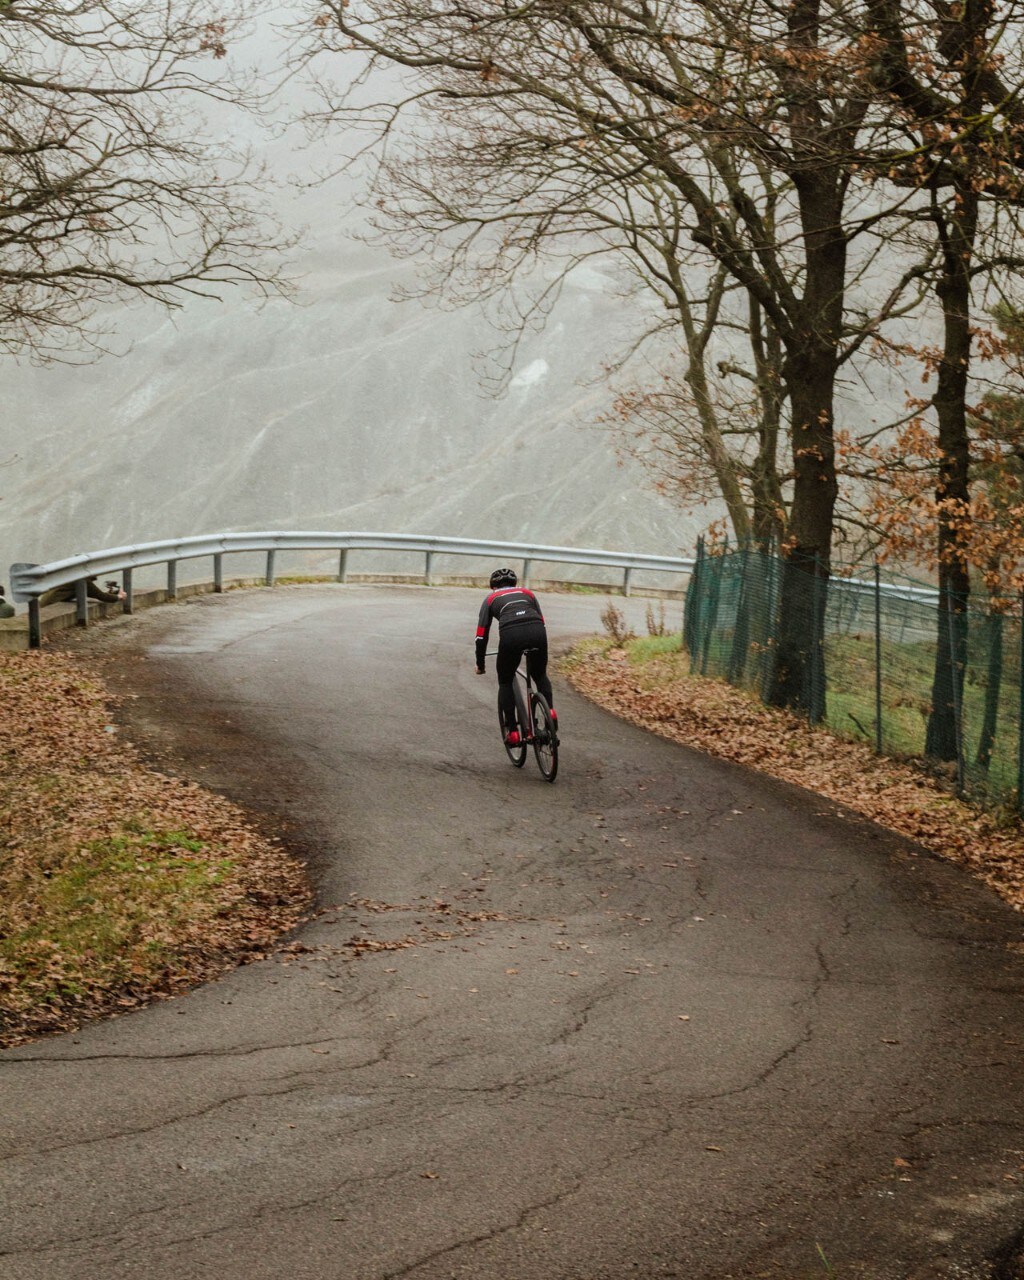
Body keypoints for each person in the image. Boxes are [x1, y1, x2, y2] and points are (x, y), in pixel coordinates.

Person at [475, 567, 556, 745]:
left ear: (493, 587)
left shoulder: (490, 599)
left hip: (511, 636)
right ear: (514, 584)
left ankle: (513, 732)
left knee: (505, 680)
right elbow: (541, 621)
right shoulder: (528, 593)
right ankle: (550, 712)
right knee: (539, 674)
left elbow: (481, 635)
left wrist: (480, 664)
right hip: (537, 632)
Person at [39, 576, 126, 607]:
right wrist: (119, 596)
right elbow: (101, 596)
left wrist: (114, 593)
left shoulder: (75, 576)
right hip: (50, 604)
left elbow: (95, 594)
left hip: (46, 602)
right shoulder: (83, 580)